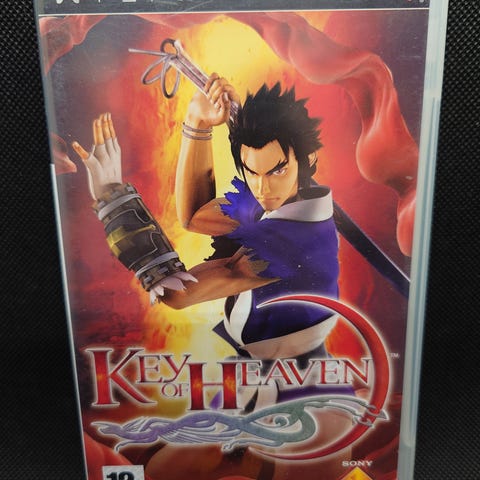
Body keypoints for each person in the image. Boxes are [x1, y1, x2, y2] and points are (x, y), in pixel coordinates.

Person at [73, 76, 351, 479]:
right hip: (252, 383)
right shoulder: (275, 200)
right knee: (164, 469)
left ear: (308, 160)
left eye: (277, 170)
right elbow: (196, 215)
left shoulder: (292, 241)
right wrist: (198, 123)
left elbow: (178, 293)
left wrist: (112, 198)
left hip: (309, 403)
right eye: (251, 171)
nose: (262, 188)